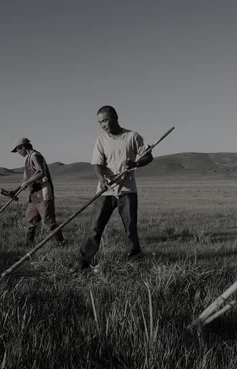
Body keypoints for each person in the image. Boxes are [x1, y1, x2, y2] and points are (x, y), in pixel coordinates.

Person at [71, 106, 154, 273]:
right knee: (95, 227)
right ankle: (82, 263)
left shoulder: (132, 136)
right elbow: (97, 164)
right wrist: (102, 179)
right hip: (107, 190)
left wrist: (136, 163)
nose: (103, 125)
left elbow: (148, 155)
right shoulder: (101, 140)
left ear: (115, 117)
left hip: (128, 190)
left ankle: (134, 261)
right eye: (100, 122)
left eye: (105, 120)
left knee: (130, 228)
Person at [9, 137, 65, 246]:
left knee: (48, 223)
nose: (18, 153)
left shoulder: (35, 156)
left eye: (18, 150)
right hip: (34, 195)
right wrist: (15, 190)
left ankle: (61, 244)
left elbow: (41, 172)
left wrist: (28, 183)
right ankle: (28, 245)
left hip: (44, 193)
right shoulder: (27, 159)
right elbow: (25, 178)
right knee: (29, 221)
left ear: (23, 147)